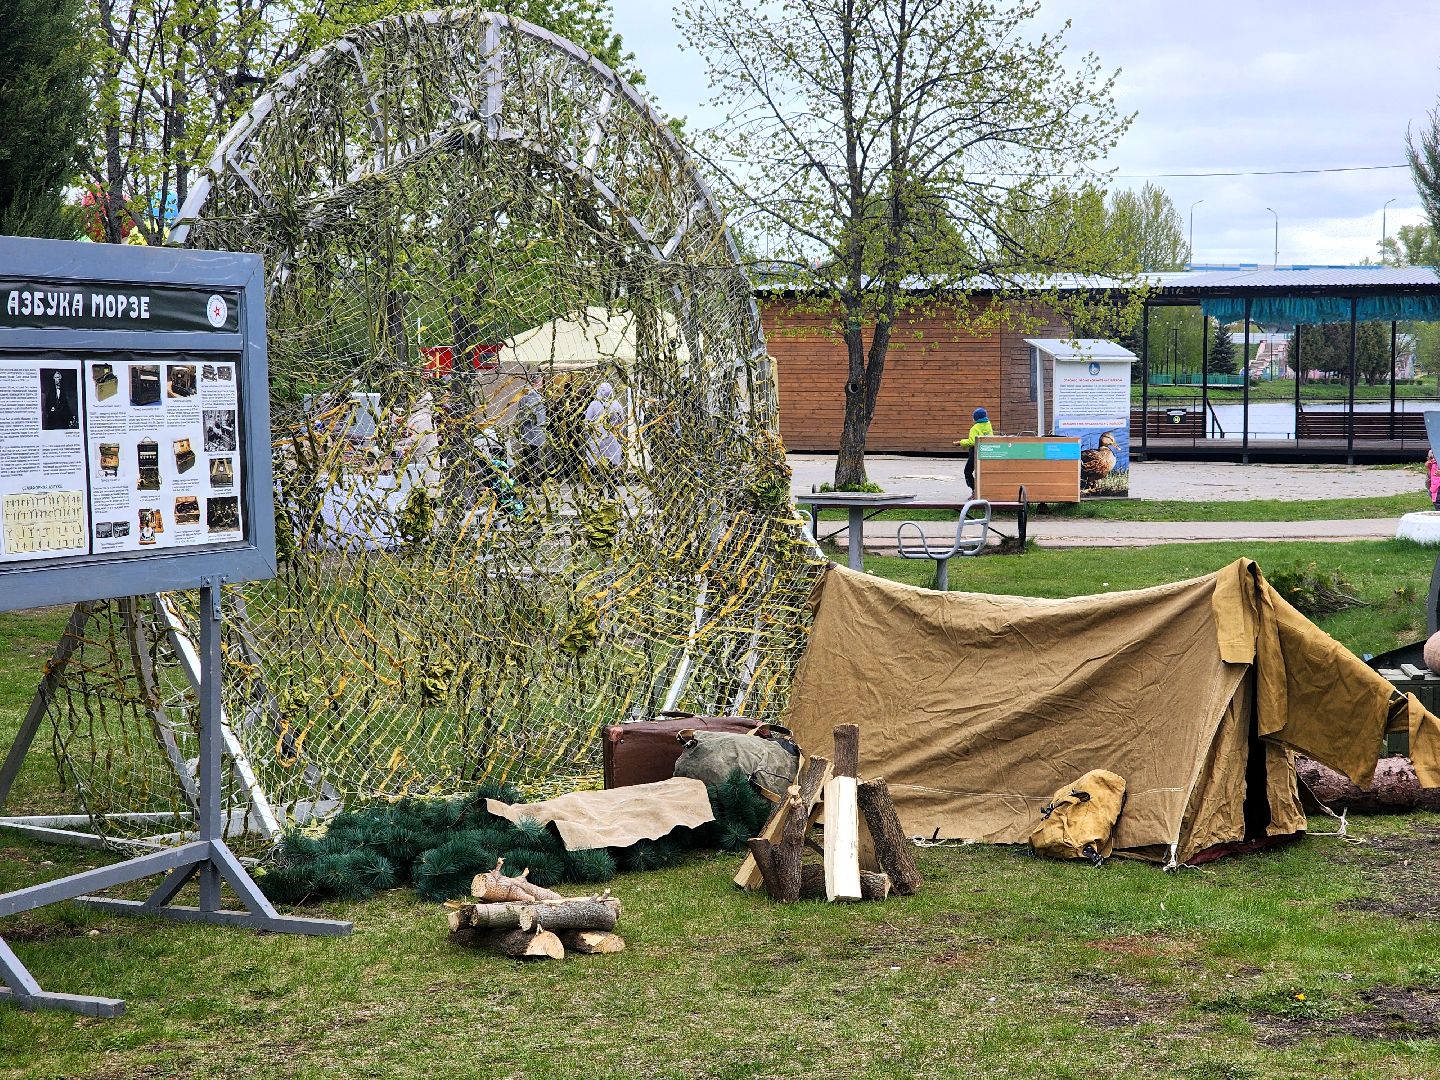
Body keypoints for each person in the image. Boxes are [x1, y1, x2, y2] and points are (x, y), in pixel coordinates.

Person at [583, 381, 625, 474]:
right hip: (612, 439)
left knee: (595, 466)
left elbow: (587, 423)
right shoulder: (616, 404)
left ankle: (598, 480)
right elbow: (622, 422)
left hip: (597, 439)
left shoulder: (594, 404)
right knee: (612, 466)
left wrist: (587, 437)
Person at [515, 373, 548, 484]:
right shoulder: (532, 396)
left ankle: (528, 478)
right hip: (533, 432)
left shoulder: (525, 394)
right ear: (537, 382)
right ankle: (529, 479)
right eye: (541, 381)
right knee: (532, 456)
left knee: (529, 456)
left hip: (528, 431)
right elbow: (529, 412)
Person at [954, 406, 993, 495]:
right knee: (982, 472)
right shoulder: (988, 425)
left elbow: (972, 442)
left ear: (976, 418)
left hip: (975, 451)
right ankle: (983, 491)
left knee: (967, 471)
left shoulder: (975, 428)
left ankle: (974, 490)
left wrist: (960, 442)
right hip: (986, 451)